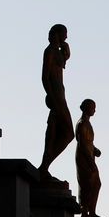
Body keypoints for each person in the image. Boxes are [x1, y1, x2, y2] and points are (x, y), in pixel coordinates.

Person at [39, 25, 74, 180]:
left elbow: (64, 60)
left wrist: (66, 50)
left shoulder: (57, 52)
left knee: (63, 132)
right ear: (57, 35)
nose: (66, 38)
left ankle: (45, 165)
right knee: (62, 131)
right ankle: (44, 166)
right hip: (56, 97)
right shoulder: (49, 51)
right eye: (64, 35)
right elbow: (45, 76)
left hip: (60, 95)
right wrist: (51, 96)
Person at [75, 99, 103, 217]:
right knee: (87, 184)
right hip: (84, 158)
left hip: (89, 157)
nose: (94, 110)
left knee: (95, 184)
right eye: (92, 107)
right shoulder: (81, 123)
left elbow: (89, 143)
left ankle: (91, 211)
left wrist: (95, 150)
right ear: (86, 108)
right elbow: (82, 144)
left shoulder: (87, 124)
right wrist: (90, 161)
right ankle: (85, 212)